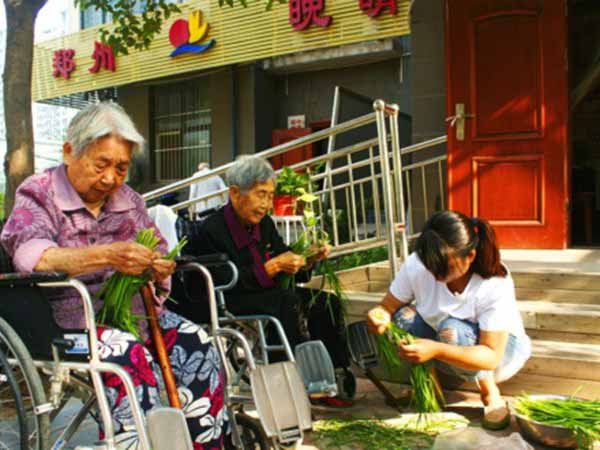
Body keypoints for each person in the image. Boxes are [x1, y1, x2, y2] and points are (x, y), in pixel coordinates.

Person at [0, 102, 227, 449]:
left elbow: (161, 248)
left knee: (198, 343)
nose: (110, 178)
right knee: (129, 355)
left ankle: (204, 444)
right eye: (100, 164)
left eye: (121, 168)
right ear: (69, 151)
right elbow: (33, 255)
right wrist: (106, 255)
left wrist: (159, 264)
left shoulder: (129, 201)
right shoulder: (39, 192)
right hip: (66, 326)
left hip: (135, 316)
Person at [191, 156, 353, 407]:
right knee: (287, 302)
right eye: (260, 194)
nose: (267, 204)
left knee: (325, 301)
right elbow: (224, 281)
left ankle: (333, 375)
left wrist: (307, 259)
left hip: (267, 293)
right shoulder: (212, 229)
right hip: (232, 298)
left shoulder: (264, 223)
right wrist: (273, 266)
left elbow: (282, 254)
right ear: (235, 193)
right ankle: (289, 381)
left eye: (270, 195)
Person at [367, 211, 531, 429]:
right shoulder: (419, 263)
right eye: (429, 265)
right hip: (446, 344)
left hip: (502, 354)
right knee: (403, 318)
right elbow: (387, 306)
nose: (434, 273)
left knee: (450, 329)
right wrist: (378, 315)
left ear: (470, 256)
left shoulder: (493, 282)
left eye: (443, 267)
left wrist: (436, 350)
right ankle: (429, 387)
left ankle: (490, 392)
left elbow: (491, 356)